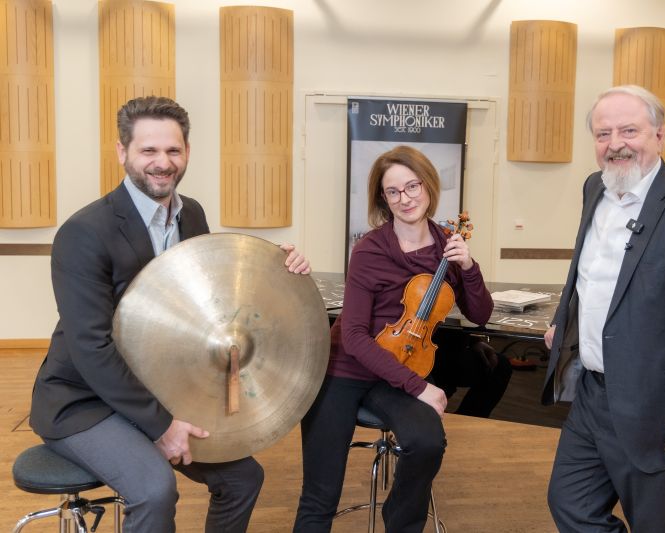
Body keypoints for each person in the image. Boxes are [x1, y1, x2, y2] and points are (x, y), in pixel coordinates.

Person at [29, 95, 310, 532]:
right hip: (84, 402)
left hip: (161, 392)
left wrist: (276, 266)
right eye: (149, 150)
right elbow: (91, 347)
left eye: (173, 150)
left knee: (243, 478)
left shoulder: (191, 215)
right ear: (123, 152)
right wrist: (161, 426)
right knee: (156, 490)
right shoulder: (84, 233)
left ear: (187, 153)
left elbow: (211, 297)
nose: (162, 162)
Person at [541, 85, 665, 532]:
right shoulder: (595, 187)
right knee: (569, 505)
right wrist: (565, 323)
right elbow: (589, 276)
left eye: (629, 130)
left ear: (660, 135)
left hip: (658, 407)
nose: (615, 143)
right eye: (603, 133)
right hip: (592, 396)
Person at [293, 145, 494, 533]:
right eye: (393, 192)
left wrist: (467, 265)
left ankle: (400, 521)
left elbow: (481, 314)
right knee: (320, 494)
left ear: (429, 186)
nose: (406, 199)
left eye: (413, 186)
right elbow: (352, 335)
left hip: (398, 370)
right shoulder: (369, 250)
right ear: (382, 199)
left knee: (428, 442)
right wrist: (418, 387)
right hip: (345, 371)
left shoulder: (447, 247)